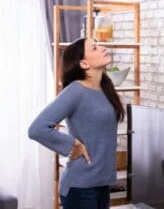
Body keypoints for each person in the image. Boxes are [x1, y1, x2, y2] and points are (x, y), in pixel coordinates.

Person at [28, 38, 125, 209]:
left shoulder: (105, 88)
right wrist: (73, 143)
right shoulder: (75, 91)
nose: (103, 48)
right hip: (80, 188)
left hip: (101, 185)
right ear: (84, 63)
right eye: (95, 48)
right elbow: (37, 128)